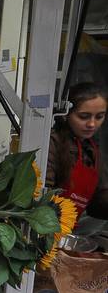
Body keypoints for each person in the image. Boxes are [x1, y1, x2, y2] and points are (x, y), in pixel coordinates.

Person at [47, 81, 108, 219]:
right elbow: (42, 194)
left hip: (72, 224)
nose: (92, 124)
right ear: (66, 114)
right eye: (83, 116)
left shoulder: (92, 149)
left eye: (99, 117)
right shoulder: (52, 142)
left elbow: (98, 201)